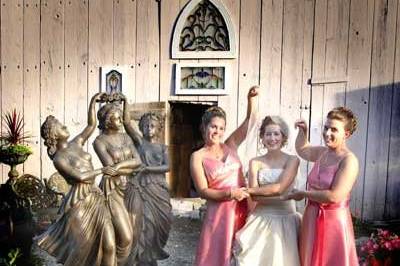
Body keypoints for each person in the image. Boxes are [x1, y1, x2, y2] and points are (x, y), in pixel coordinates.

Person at [37, 93, 119, 266]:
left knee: (110, 246)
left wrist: (94, 101)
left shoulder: (77, 142)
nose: (65, 125)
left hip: (96, 198)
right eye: (60, 125)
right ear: (53, 134)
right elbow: (80, 177)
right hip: (78, 203)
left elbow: (91, 125)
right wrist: (102, 170)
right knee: (81, 252)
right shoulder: (59, 158)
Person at [190, 86, 258, 266]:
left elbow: (249, 124)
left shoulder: (231, 144)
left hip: (242, 207)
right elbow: (203, 191)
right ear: (204, 127)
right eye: (213, 126)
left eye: (221, 128)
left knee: (241, 254)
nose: (217, 132)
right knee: (216, 256)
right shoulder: (197, 156)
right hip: (219, 212)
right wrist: (229, 193)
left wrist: (251, 99)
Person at [286, 107, 359, 266]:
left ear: (346, 134)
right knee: (309, 257)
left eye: (334, 129)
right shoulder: (323, 153)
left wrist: (303, 194)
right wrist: (303, 131)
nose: (327, 133)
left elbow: (335, 196)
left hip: (333, 221)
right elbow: (302, 150)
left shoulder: (349, 160)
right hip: (312, 215)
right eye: (326, 127)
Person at [233, 115, 301, 266]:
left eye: (276, 134)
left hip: (286, 219)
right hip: (261, 218)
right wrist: (283, 196)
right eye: (268, 134)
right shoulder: (255, 162)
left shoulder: (293, 160)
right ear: (262, 138)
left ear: (284, 137)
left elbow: (280, 188)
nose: (272, 138)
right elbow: (255, 198)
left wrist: (251, 190)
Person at [121, 98, 172, 265]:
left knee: (160, 223)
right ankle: (142, 257)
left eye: (152, 126)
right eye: (144, 125)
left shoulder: (163, 148)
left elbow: (167, 167)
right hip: (141, 189)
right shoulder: (139, 142)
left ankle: (152, 254)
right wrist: (125, 102)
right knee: (143, 223)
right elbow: (127, 123)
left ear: (158, 129)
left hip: (159, 190)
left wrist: (147, 169)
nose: (148, 129)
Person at [93, 100, 143, 264]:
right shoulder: (99, 142)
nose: (121, 120)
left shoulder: (126, 137)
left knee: (135, 234)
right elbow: (109, 167)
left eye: (121, 117)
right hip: (112, 190)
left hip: (131, 187)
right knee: (125, 237)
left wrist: (120, 166)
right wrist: (129, 167)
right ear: (107, 121)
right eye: (116, 118)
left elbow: (138, 161)